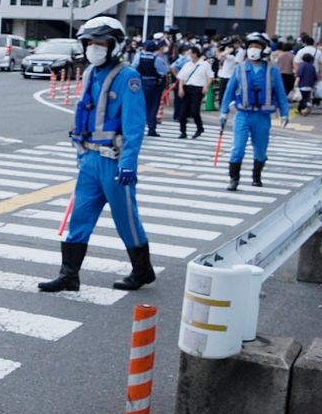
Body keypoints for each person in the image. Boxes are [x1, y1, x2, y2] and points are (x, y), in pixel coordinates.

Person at [39, 16, 155, 293]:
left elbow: (134, 126)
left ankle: (142, 270)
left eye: (100, 42)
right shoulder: (91, 72)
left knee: (125, 219)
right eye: (90, 42)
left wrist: (128, 163)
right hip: (90, 159)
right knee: (79, 217)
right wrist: (81, 153)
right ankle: (69, 275)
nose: (94, 47)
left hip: (114, 161)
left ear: (114, 45)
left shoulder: (128, 77)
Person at [219, 32, 289, 191]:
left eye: (257, 46)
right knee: (238, 148)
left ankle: (256, 176)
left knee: (260, 150)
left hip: (262, 116)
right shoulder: (239, 69)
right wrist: (223, 112)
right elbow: (229, 91)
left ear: (264, 50)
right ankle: (234, 179)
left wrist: (284, 114)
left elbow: (280, 94)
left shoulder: (272, 70)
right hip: (243, 115)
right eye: (251, 46)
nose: (253, 49)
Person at [175, 44, 213, 139]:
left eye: (190, 53)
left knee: (195, 111)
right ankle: (183, 131)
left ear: (195, 54)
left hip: (198, 89)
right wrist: (180, 88)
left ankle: (199, 128)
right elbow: (181, 78)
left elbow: (210, 77)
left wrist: (206, 86)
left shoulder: (204, 64)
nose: (188, 55)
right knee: (183, 112)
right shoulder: (187, 64)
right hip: (187, 88)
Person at [134, 38, 167, 137]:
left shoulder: (138, 56)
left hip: (140, 83)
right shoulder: (157, 59)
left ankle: (138, 128)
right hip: (153, 84)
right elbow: (164, 70)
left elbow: (133, 68)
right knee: (152, 107)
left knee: (139, 106)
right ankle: (151, 129)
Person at [295, 52, 318, 116]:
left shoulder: (302, 65)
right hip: (310, 85)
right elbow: (315, 77)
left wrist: (296, 83)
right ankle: (301, 109)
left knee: (302, 99)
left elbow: (299, 75)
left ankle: (304, 108)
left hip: (302, 85)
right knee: (306, 98)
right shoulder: (312, 66)